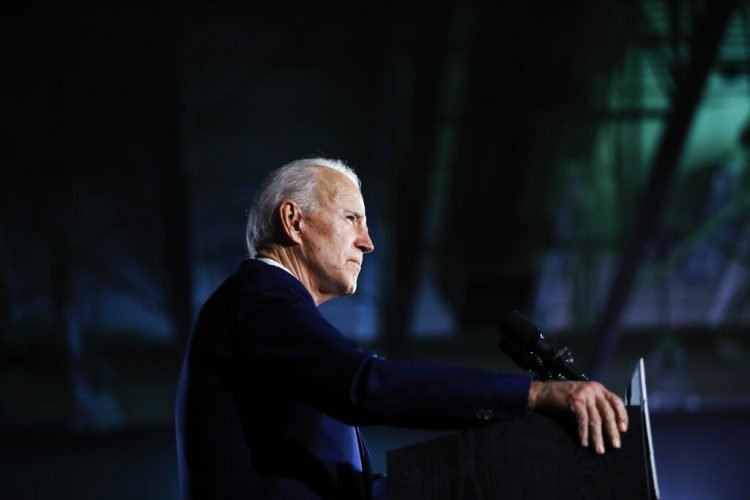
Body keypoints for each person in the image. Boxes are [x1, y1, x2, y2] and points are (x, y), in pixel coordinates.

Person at [175, 157, 628, 500]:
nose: (367, 241)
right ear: (294, 221)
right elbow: (366, 386)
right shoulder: (257, 296)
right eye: (351, 217)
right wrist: (533, 396)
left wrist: (483, 479)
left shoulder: (275, 320)